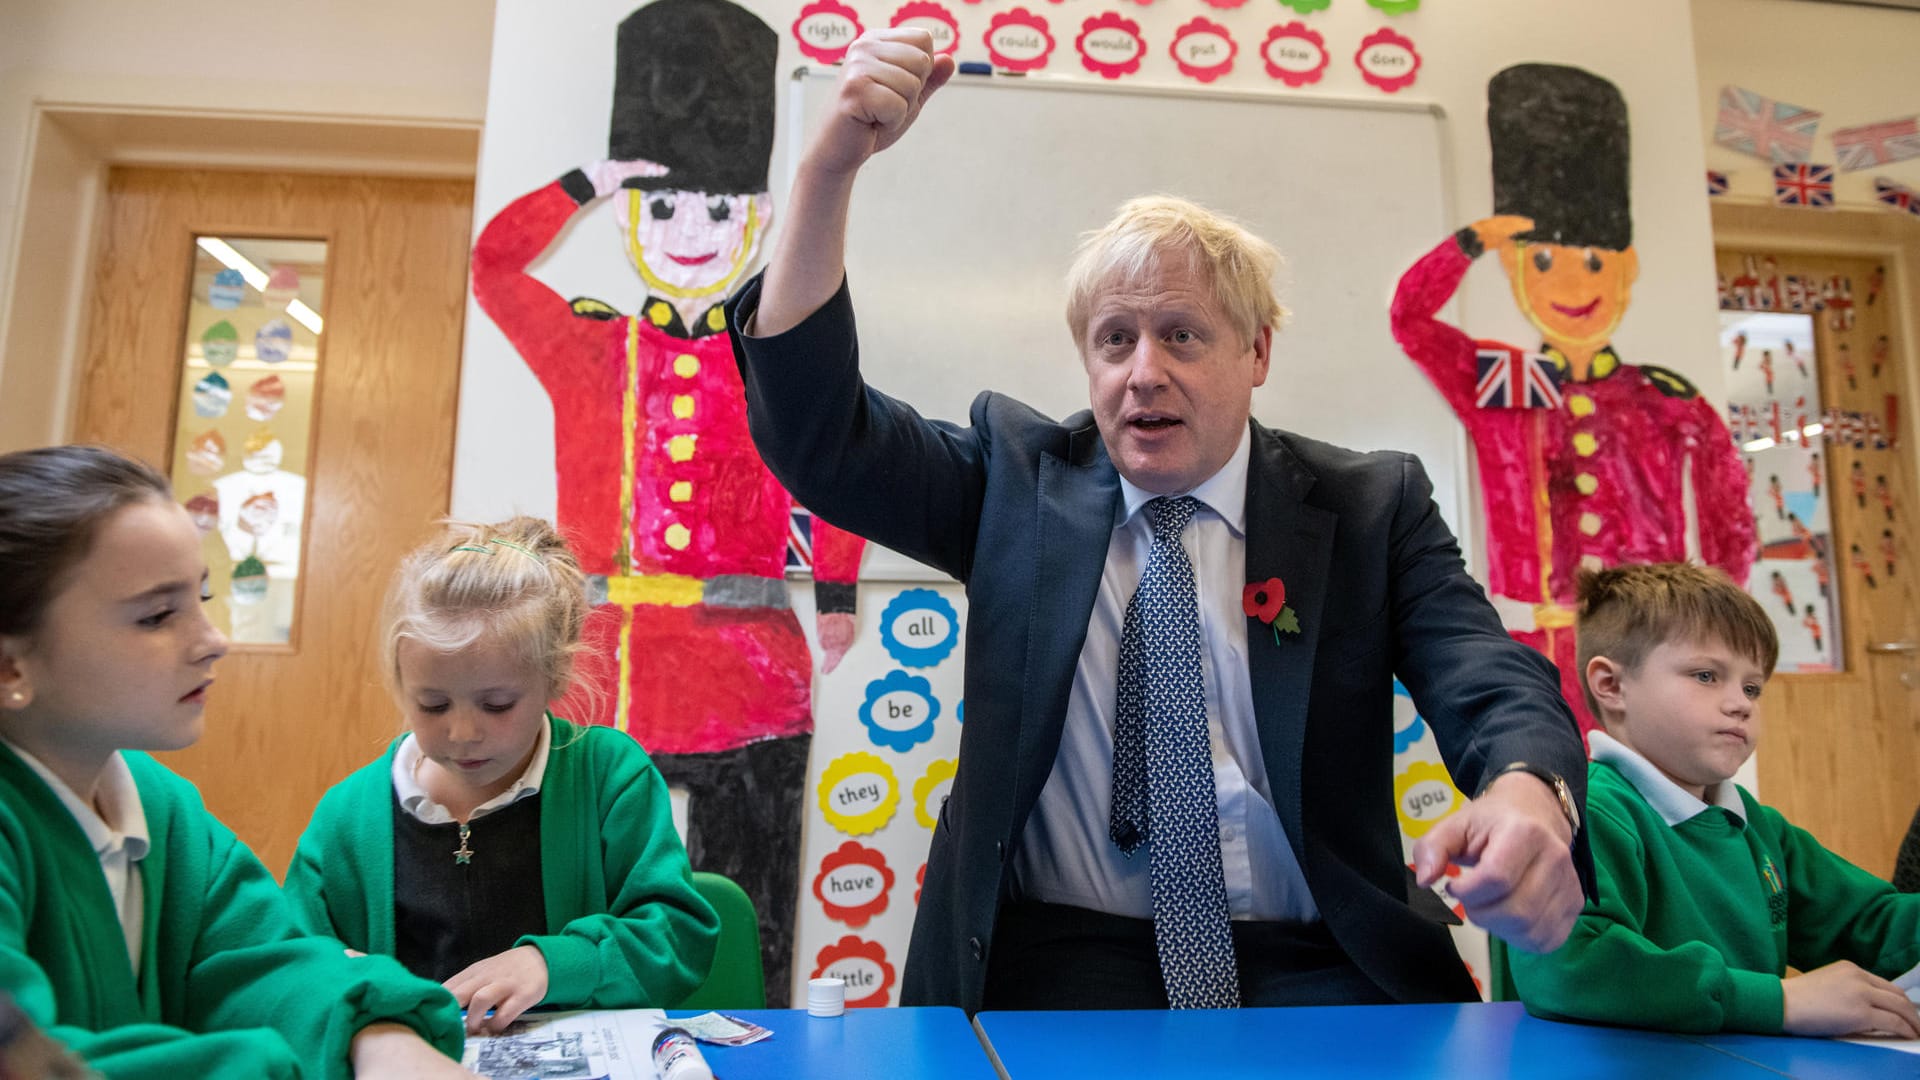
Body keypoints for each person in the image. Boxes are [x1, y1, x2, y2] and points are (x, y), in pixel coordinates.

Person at [729, 29, 1591, 1013]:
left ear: (1257, 352)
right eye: (1115, 340)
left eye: (1182, 334)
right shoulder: (1017, 480)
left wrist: (1531, 786)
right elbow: (816, 433)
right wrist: (829, 169)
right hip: (1056, 962)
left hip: (1314, 958)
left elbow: (1488, 675)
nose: (1145, 371)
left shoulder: (1369, 507)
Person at [467, 0, 863, 1002]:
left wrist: (841, 597)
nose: (693, 235)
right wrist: (587, 184)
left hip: (751, 686)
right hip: (606, 687)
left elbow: (840, 462)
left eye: (722, 213)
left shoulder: (779, 355)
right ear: (633, 218)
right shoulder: (588, 351)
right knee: (580, 931)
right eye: (664, 210)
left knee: (752, 925)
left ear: (762, 220)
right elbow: (495, 266)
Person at [0, 445, 467, 1077]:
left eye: (202, 598)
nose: (214, 640)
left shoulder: (161, 810)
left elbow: (265, 964)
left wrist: (382, 1039)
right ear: (11, 666)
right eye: (158, 614)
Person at [1390, 64, 1754, 737]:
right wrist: (1469, 243)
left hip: (1655, 652)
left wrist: (1720, 633)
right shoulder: (1500, 385)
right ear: (1514, 267)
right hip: (1534, 650)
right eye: (1543, 260)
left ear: (1627, 268)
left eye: (1593, 262)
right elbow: (1411, 318)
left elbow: (1729, 511)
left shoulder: (1664, 399)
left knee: (1654, 809)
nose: (1570, 282)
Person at [284, 517, 719, 1034]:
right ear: (401, 684)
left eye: (496, 705)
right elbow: (289, 964)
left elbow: (677, 936)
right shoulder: (348, 816)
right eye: (433, 704)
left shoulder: (609, 776)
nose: (464, 732)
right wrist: (335, 975)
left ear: (553, 679)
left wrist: (552, 965)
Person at [1510, 562, 1920, 1037]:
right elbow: (1568, 969)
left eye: (1752, 687)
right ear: (1612, 686)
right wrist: (1779, 1001)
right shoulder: (1589, 814)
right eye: (1706, 676)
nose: (1741, 703)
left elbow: (1868, 923)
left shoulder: (1756, 826)